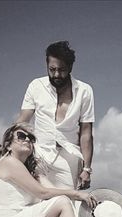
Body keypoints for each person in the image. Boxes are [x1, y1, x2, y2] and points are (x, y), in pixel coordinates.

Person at [15, 40, 94, 191]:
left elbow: (86, 132)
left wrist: (87, 169)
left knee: (66, 203)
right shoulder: (36, 86)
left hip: (69, 157)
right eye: (52, 69)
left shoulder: (85, 91)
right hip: (39, 154)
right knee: (37, 203)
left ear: (70, 67)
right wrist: (6, 142)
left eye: (62, 69)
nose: (57, 74)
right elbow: (23, 120)